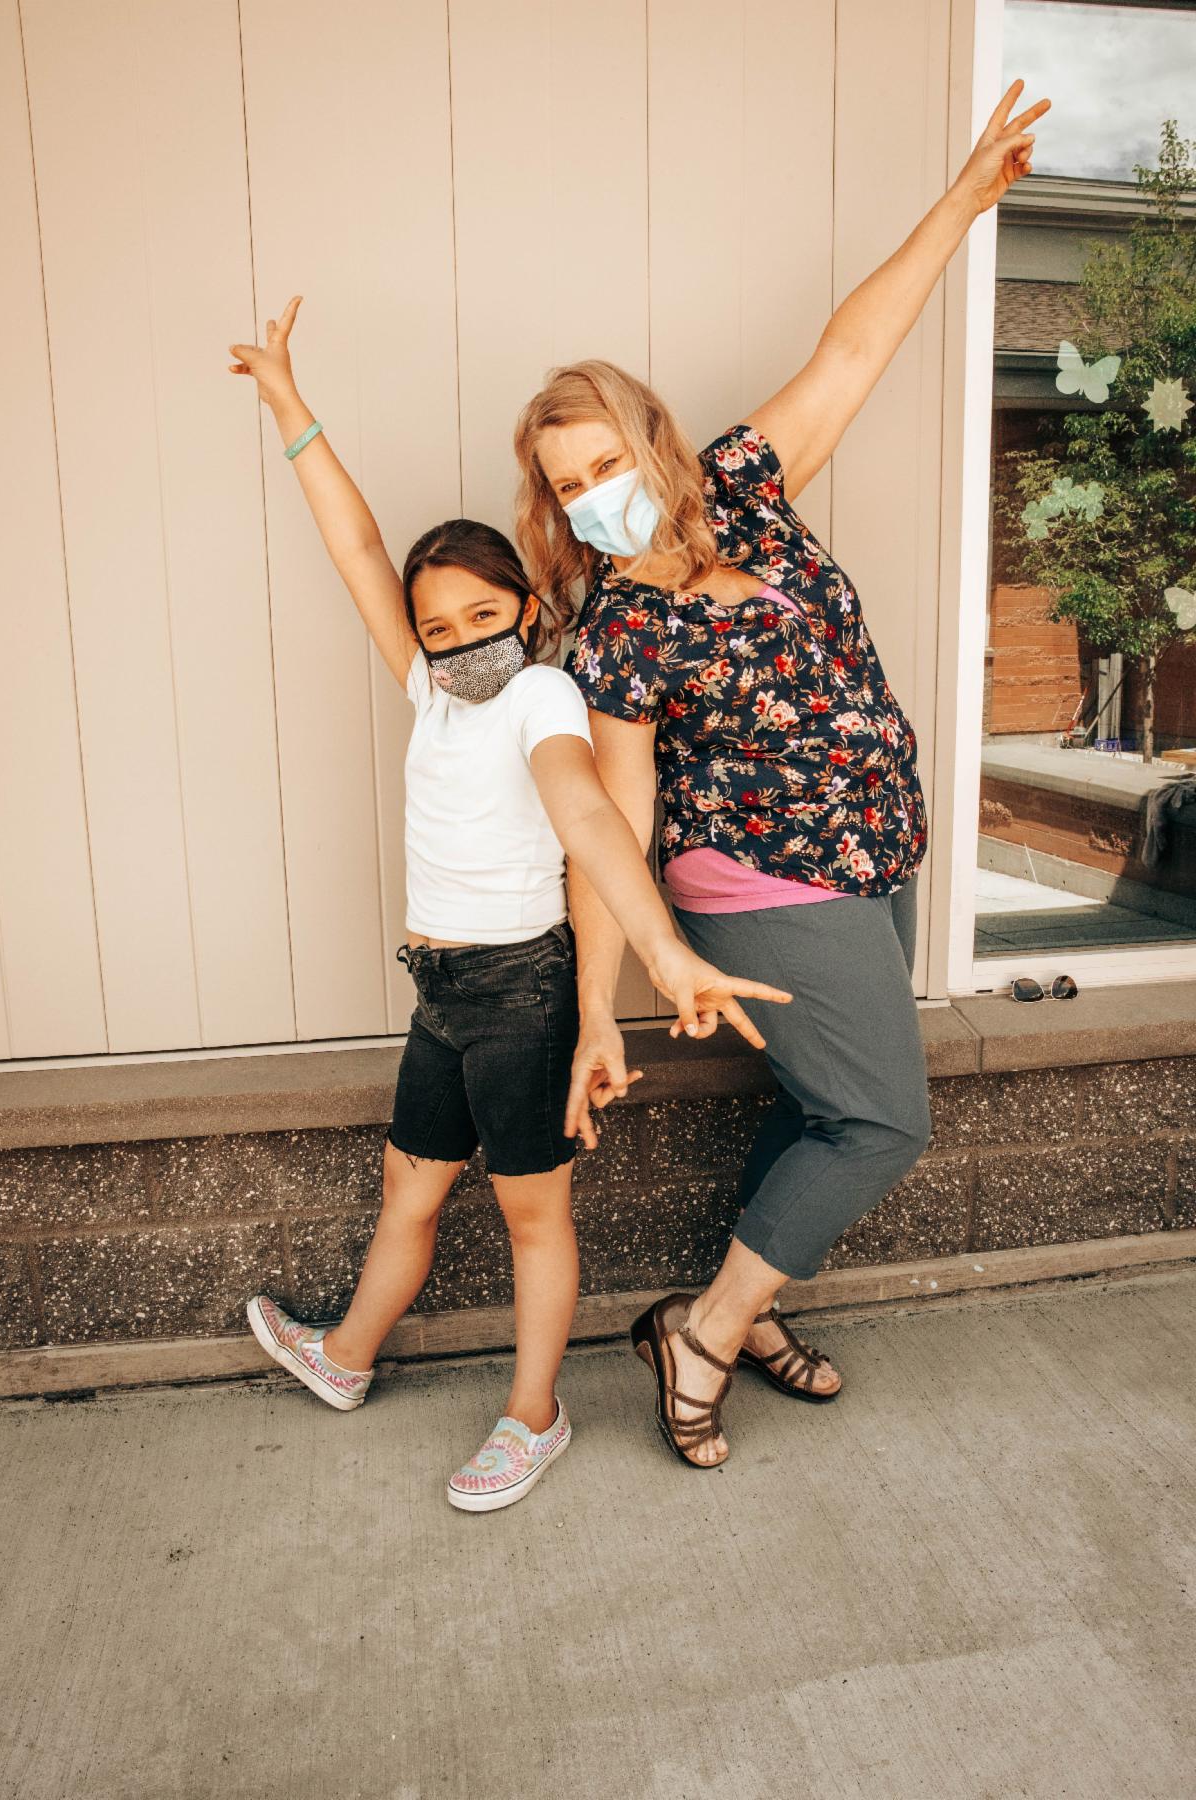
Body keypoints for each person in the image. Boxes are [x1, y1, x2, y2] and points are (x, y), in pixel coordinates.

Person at [513, 80, 1048, 1468]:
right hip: (760, 885)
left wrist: (963, 200)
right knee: (880, 1122)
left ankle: (742, 1313)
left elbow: (855, 344)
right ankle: (701, 1329)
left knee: (825, 1105)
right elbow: (611, 826)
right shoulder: (619, 633)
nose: (591, 495)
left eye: (605, 461)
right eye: (566, 485)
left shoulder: (748, 489)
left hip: (877, 851)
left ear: (654, 440)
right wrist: (599, 1007)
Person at [226, 299, 789, 1511]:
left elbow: (587, 816)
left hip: (521, 996)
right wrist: (288, 405)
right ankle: (345, 1356)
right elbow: (357, 549)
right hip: (441, 992)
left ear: (526, 611)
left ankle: (534, 1416)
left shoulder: (542, 698)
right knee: (412, 1189)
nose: (460, 640)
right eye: (439, 628)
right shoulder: (433, 692)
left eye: (484, 616)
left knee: (535, 1218)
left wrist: (661, 953)